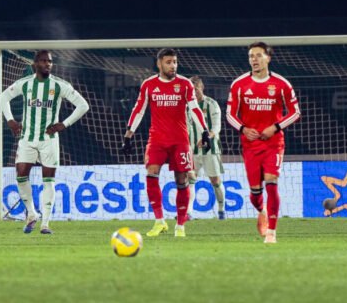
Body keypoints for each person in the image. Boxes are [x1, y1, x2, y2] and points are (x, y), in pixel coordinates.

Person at [122, 49, 212, 237]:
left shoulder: (185, 84)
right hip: (157, 140)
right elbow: (139, 109)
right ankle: (159, 221)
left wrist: (204, 131)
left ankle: (180, 226)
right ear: (159, 64)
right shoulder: (149, 85)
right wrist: (128, 135)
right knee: (151, 173)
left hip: (180, 141)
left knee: (182, 180)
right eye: (169, 62)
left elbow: (195, 109)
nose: (173, 66)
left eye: (175, 62)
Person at [0, 51, 89, 234]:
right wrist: (10, 120)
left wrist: (64, 124)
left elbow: (83, 105)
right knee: (21, 175)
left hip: (49, 140)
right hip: (27, 138)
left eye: (50, 61)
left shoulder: (59, 85)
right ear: (35, 64)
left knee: (48, 180)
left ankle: (45, 223)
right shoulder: (25, 83)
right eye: (43, 61)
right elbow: (3, 97)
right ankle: (32, 214)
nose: (47, 64)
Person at [226, 42, 301, 244]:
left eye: (259, 55)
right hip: (250, 145)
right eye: (251, 56)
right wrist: (243, 128)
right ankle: (263, 211)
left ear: (268, 58)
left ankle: (272, 232)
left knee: (271, 182)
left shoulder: (281, 84)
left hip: (273, 143)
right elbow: (230, 114)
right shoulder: (239, 84)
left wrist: (275, 127)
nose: (254, 59)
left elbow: (295, 113)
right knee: (255, 193)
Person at [186, 76, 227, 219]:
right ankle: (188, 213)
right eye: (191, 90)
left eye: (196, 89)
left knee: (215, 181)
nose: (194, 92)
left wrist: (206, 138)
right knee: (190, 179)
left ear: (202, 88)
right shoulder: (186, 106)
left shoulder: (211, 104)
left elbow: (216, 127)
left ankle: (221, 210)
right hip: (191, 150)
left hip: (211, 149)